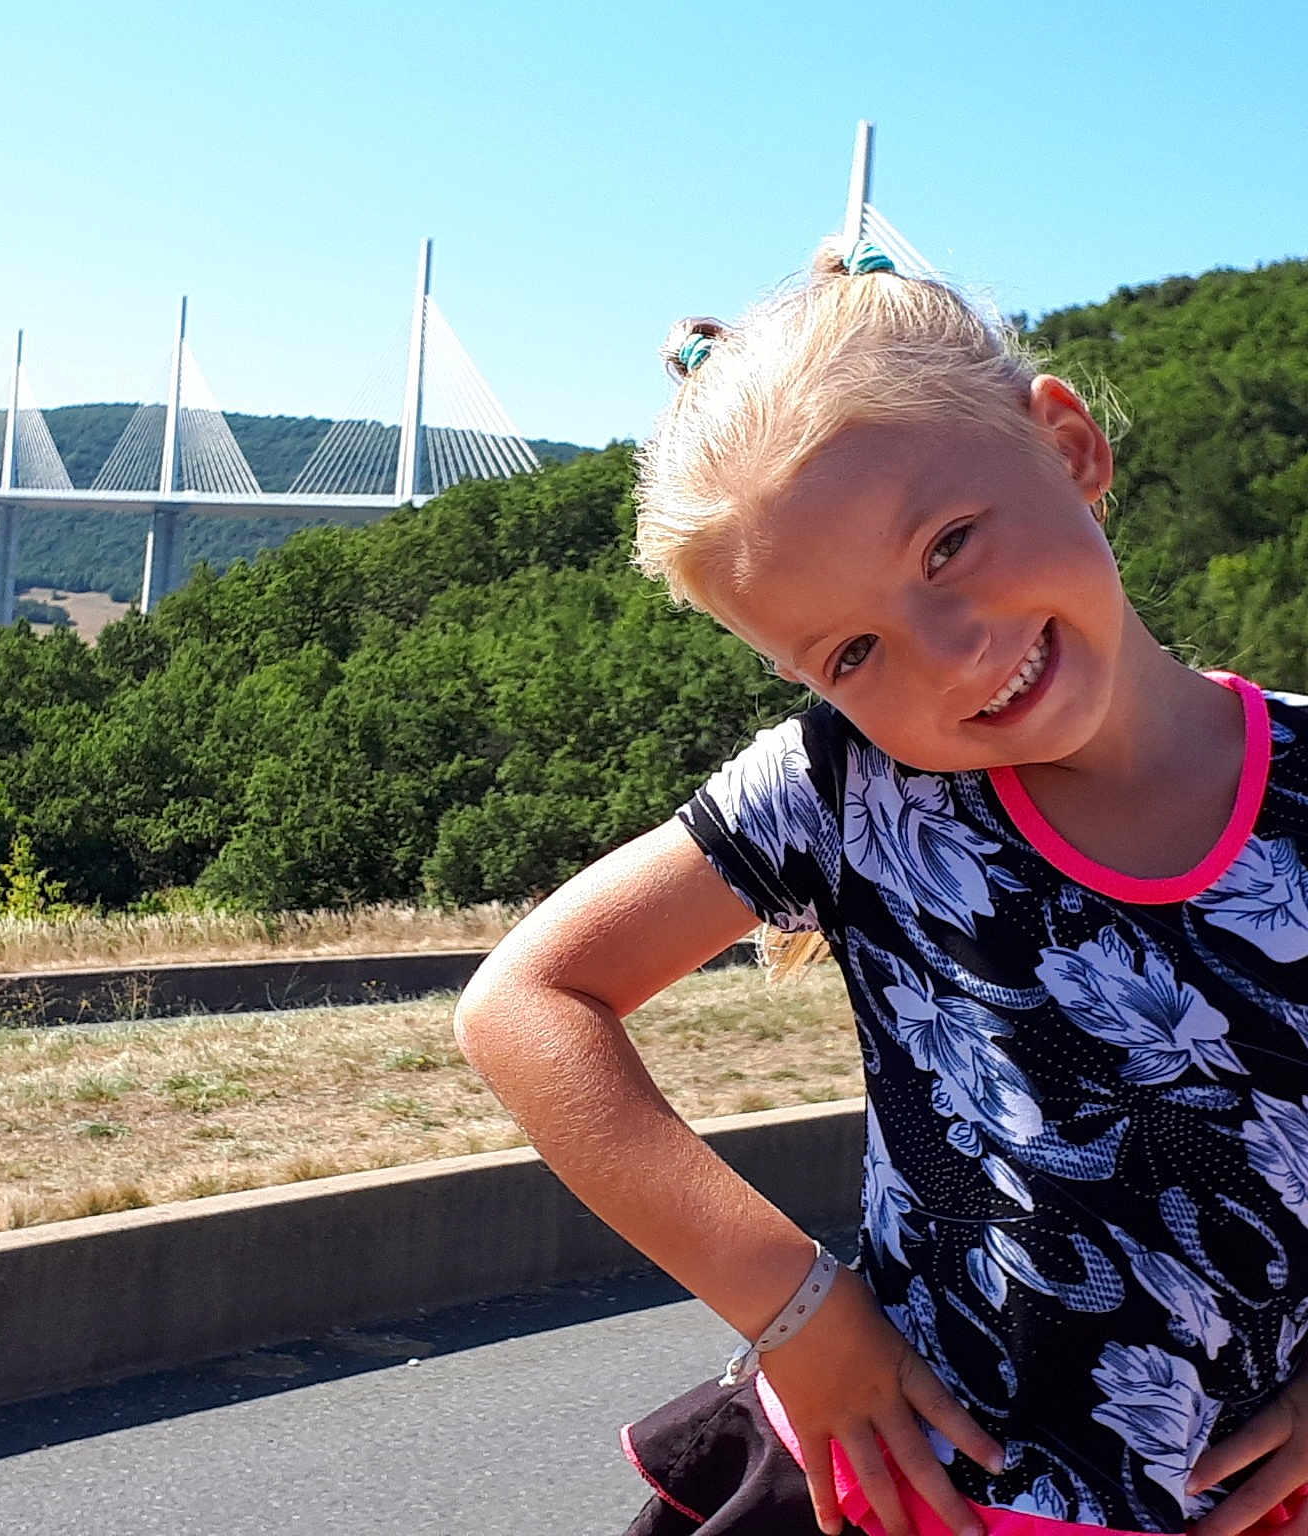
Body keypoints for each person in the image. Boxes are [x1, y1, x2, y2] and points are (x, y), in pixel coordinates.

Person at [452, 238, 1308, 1536]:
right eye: (853, 651)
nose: (955, 658)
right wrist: (796, 1313)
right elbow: (526, 1001)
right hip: (905, 1502)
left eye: (949, 544)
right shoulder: (852, 792)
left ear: (1068, 446)